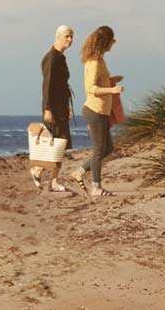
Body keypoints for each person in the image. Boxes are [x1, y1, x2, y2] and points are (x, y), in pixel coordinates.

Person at [29, 24, 76, 195]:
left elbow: (62, 85)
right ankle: (41, 173)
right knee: (56, 143)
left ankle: (49, 177)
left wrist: (67, 108)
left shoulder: (61, 58)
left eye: (72, 36)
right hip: (53, 108)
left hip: (61, 107)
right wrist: (48, 108)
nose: (70, 40)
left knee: (60, 144)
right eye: (67, 36)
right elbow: (47, 84)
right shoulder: (52, 58)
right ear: (58, 37)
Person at [79, 25, 124, 197]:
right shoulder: (95, 62)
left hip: (102, 111)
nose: (113, 43)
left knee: (108, 148)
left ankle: (80, 171)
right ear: (106, 41)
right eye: (112, 40)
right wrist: (113, 90)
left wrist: (112, 80)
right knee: (99, 150)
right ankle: (96, 187)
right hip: (95, 110)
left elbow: (100, 82)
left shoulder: (100, 60)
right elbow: (91, 88)